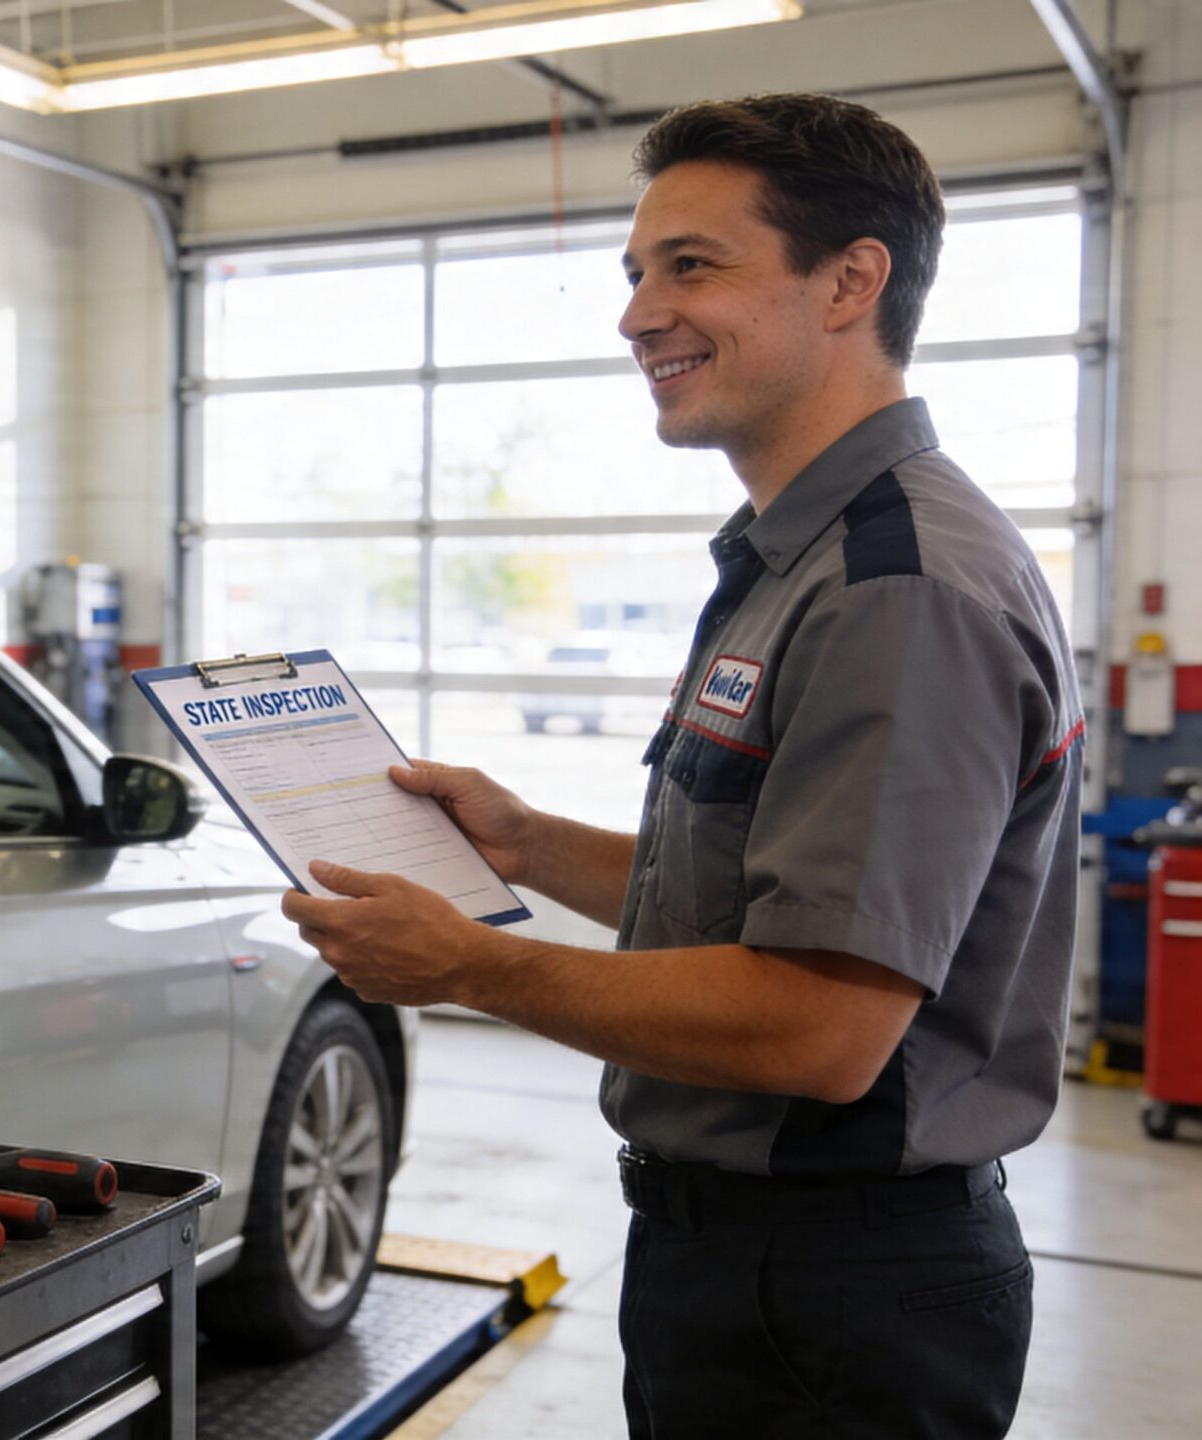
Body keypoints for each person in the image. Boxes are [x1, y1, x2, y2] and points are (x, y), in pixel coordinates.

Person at [282, 94, 1079, 1439]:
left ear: (850, 282)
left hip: (832, 1296)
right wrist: (525, 847)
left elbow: (823, 1027)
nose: (639, 312)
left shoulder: (899, 588)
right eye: (637, 273)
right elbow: (765, 898)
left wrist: (476, 967)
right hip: (761, 1265)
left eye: (691, 266)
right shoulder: (804, 560)